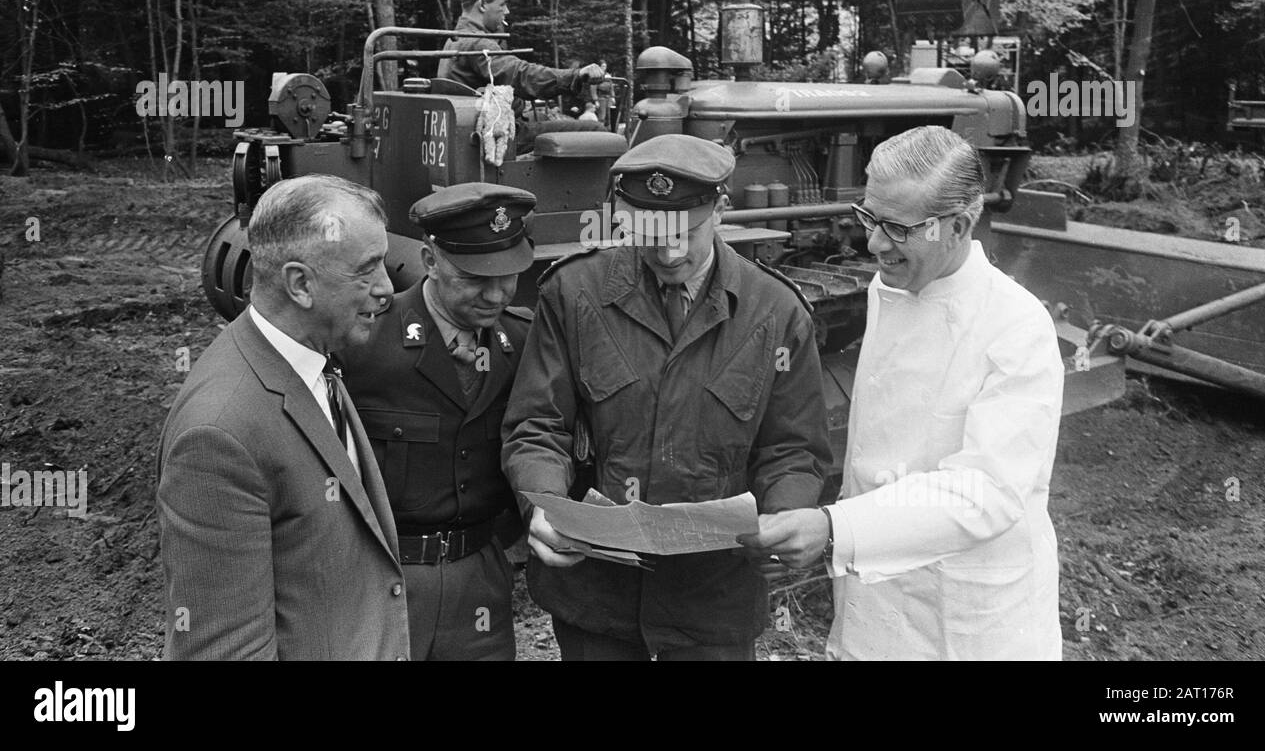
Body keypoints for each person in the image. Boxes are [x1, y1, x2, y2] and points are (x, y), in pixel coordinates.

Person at [738, 125, 1065, 660]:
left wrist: (832, 527)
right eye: (868, 217)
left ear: (958, 225)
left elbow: (985, 493)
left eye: (897, 227)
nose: (873, 243)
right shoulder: (889, 287)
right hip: (876, 598)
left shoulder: (1016, 325)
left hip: (967, 621)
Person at [501, 133, 831, 661]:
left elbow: (791, 447)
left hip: (714, 601)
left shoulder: (775, 312)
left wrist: (785, 514)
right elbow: (538, 426)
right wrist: (543, 506)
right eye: (649, 233)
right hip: (597, 598)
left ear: (720, 210)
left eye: (686, 231)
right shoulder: (573, 294)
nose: (669, 250)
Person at [157, 175, 409, 660]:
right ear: (300, 284)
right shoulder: (219, 433)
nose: (386, 288)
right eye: (366, 270)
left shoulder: (312, 358)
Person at [338, 183, 536, 661]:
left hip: (481, 582)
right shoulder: (363, 340)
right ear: (430, 260)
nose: (496, 293)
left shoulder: (521, 341)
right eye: (474, 276)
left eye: (509, 274)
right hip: (383, 580)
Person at [438, 0, 605, 100]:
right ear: (482, 5)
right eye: (502, 5)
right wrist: (575, 75)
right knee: (593, 129)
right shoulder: (478, 43)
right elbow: (520, 75)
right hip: (495, 131)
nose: (506, 11)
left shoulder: (454, 39)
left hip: (480, 124)